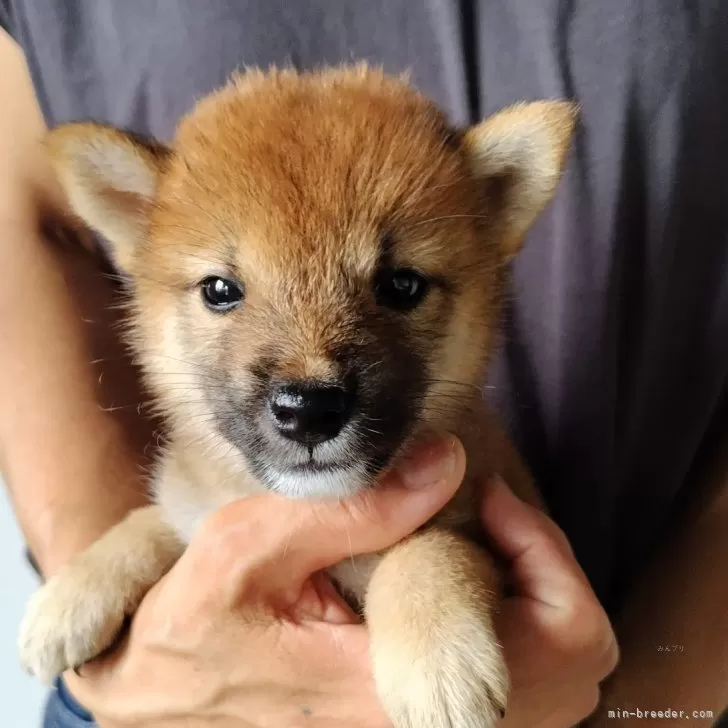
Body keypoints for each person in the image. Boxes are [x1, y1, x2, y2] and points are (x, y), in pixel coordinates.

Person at [1, 2, 727, 726]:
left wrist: (640, 708)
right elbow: (20, 217)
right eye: (223, 292)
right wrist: (110, 581)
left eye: (400, 287)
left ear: (497, 202)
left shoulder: (459, 457)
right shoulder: (192, 474)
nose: (310, 369)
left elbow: (458, 539)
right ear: (127, 212)